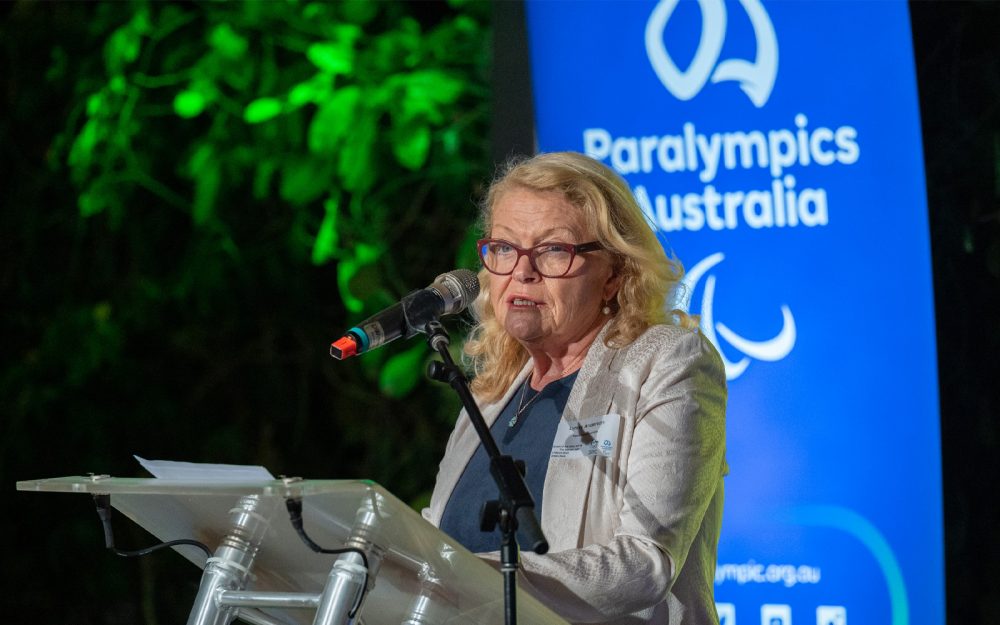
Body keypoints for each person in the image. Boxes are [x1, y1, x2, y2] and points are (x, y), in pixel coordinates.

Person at [422, 151, 727, 624]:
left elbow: (646, 563)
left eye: (552, 250)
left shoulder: (666, 362)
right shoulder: (490, 389)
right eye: (504, 247)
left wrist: (475, 580)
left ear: (614, 274)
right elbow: (436, 539)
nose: (522, 271)